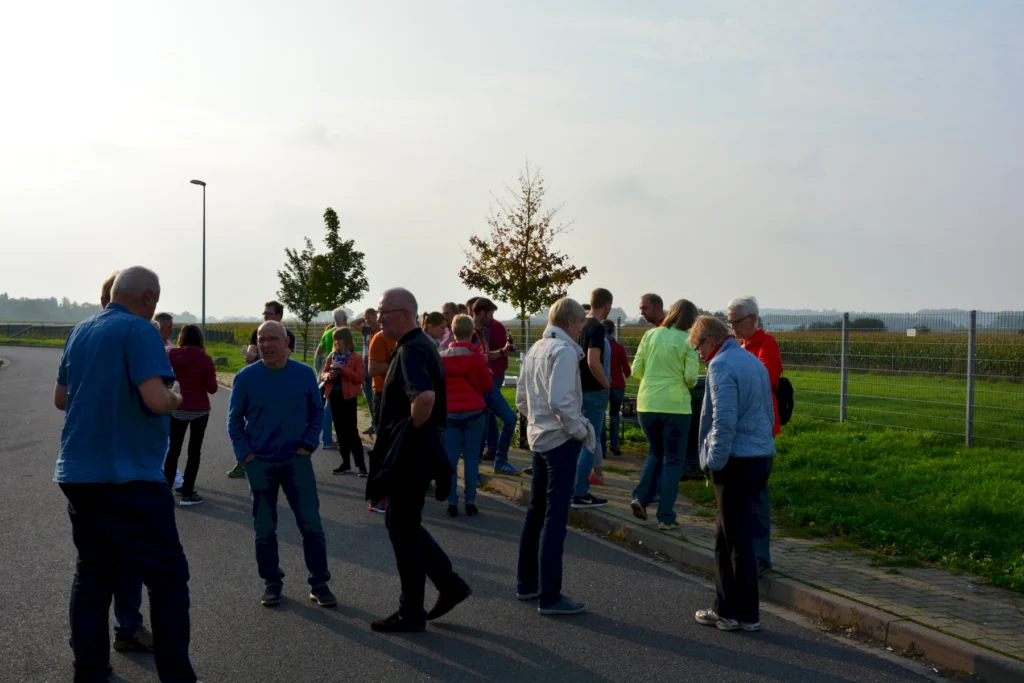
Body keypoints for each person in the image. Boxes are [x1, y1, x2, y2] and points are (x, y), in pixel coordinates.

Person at [54, 266, 198, 683]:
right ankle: (176, 675)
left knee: (93, 574)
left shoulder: (79, 332)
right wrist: (175, 395)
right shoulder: (141, 331)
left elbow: (61, 398)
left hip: (78, 473)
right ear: (150, 299)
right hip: (130, 475)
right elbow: (155, 399)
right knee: (168, 579)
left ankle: (90, 670)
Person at [369, 288, 471, 633]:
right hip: (417, 452)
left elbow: (424, 397)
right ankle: (449, 584)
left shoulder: (413, 349)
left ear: (405, 313)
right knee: (403, 525)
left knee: (402, 529)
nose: (379, 318)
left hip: (410, 455)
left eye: (385, 312)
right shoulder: (417, 345)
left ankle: (411, 611)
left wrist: (406, 436)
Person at [228, 320, 335, 609]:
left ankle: (319, 583)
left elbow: (316, 412)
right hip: (260, 463)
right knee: (265, 528)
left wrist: (308, 445)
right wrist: (246, 456)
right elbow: (234, 420)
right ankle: (272, 583)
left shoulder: (302, 374)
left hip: (295, 461)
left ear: (286, 343)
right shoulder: (246, 377)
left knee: (311, 524)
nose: (265, 344)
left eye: (272, 339)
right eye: (261, 339)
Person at [689, 315, 776, 633]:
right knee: (731, 537)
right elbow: (768, 410)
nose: (699, 355)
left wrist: (715, 461)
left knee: (730, 541)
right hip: (760, 456)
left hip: (735, 460)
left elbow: (723, 420)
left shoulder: (721, 365)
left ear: (709, 340)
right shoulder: (752, 361)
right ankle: (736, 611)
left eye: (698, 346)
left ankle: (734, 613)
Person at [515, 297, 595, 616]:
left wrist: (536, 420)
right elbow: (561, 401)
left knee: (536, 511)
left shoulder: (536, 349)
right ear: (572, 323)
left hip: (538, 437)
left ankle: (527, 583)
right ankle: (550, 595)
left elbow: (522, 398)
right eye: (579, 326)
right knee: (555, 516)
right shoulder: (562, 352)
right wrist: (577, 429)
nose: (580, 332)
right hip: (559, 440)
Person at [628, 300, 700, 530]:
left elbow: (635, 370)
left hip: (647, 403)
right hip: (676, 406)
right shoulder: (689, 341)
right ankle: (666, 516)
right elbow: (690, 378)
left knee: (655, 452)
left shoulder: (650, 335)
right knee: (673, 460)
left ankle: (640, 496)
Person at [727, 295, 783, 577]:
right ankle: (745, 551)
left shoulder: (766, 344)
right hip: (740, 426)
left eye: (736, 321)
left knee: (758, 494)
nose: (732, 326)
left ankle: (761, 556)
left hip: (759, 428)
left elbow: (766, 378)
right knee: (742, 494)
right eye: (729, 321)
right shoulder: (740, 346)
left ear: (751, 319)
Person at [228, 302, 298, 479]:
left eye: (269, 313)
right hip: (258, 384)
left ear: (279, 316)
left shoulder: (288, 335)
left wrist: (261, 355)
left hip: (281, 385)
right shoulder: (256, 334)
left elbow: (284, 355)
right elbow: (251, 358)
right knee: (251, 423)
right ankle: (244, 460)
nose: (265, 316)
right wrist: (251, 356)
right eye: (264, 313)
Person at [440, 314, 493, 517]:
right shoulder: (477, 357)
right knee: (471, 459)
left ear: (452, 332)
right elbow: (487, 386)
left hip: (450, 413)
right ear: (471, 333)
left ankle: (451, 502)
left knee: (451, 458)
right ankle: (470, 501)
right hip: (474, 412)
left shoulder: (442, 357)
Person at [165, 324, 218, 507]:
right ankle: (187, 493)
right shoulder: (205, 359)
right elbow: (212, 388)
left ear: (181, 338)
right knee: (194, 452)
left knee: (173, 451)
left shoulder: (171, 355)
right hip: (199, 410)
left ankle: (166, 491)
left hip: (177, 407)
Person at [571, 289, 613, 508]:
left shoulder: (580, 325)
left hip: (578, 390)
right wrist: (606, 384)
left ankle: (572, 488)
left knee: (577, 439)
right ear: (607, 306)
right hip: (594, 391)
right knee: (590, 441)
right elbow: (592, 361)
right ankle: (580, 492)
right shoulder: (597, 328)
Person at [471, 298, 520, 475]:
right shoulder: (468, 332)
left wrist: (502, 352)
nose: (492, 317)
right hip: (475, 387)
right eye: (490, 313)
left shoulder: (484, 332)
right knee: (482, 425)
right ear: (481, 312)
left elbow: (486, 355)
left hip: (487, 384)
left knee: (506, 419)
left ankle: (499, 461)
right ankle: (477, 468)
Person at [321, 326, 368, 476]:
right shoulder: (332, 355)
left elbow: (360, 377)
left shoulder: (356, 358)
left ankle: (361, 466)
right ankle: (345, 463)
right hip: (334, 395)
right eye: (335, 340)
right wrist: (328, 376)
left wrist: (343, 369)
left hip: (348, 397)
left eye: (339, 339)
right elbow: (324, 372)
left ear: (347, 340)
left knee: (352, 431)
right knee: (340, 431)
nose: (337, 343)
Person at [366, 325, 397, 513]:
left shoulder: (410, 339)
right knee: (383, 448)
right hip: (384, 395)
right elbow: (373, 368)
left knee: (400, 448)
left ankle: (395, 493)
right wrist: (397, 361)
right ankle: (377, 497)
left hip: (405, 396)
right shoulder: (380, 338)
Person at [315, 309, 348, 451]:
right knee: (337, 407)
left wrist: (319, 372)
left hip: (329, 374)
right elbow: (352, 354)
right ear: (345, 319)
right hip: (342, 375)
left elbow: (319, 353)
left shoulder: (327, 333)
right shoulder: (346, 334)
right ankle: (331, 438)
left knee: (329, 406)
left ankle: (327, 437)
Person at [602, 319, 631, 457]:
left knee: (600, 414)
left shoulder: (599, 347)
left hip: (602, 384)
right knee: (614, 414)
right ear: (613, 330)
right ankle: (614, 443)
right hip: (618, 385)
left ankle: (601, 446)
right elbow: (627, 371)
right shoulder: (619, 348)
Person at [351, 308, 381, 435]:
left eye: (370, 317)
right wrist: (365, 317)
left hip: (375, 367)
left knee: (376, 398)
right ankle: (373, 424)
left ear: (376, 316)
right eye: (366, 318)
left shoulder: (381, 331)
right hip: (365, 367)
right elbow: (353, 324)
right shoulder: (366, 330)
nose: (368, 320)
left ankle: (379, 424)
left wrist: (376, 316)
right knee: (368, 397)